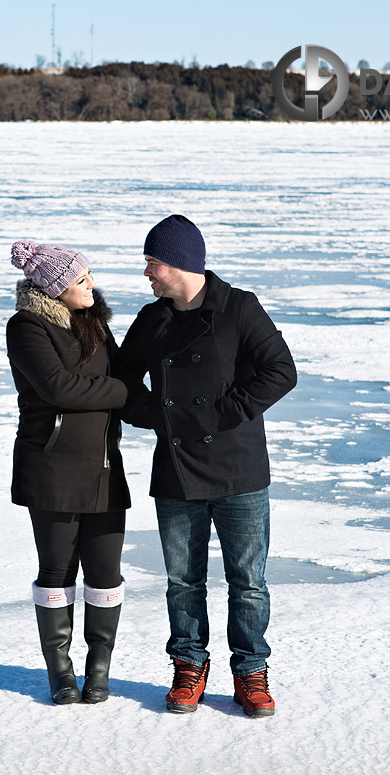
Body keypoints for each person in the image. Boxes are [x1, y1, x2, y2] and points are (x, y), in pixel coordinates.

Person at [116, 214, 296, 718]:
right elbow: (123, 382)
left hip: (239, 470)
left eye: (152, 263)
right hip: (176, 471)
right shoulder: (153, 320)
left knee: (248, 581)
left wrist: (223, 414)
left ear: (179, 262)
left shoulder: (239, 307)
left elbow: (281, 371)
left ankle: (251, 672)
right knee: (182, 581)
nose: (147, 274)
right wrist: (158, 416)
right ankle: (189, 666)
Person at [6, 240, 130, 705]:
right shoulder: (26, 326)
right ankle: (60, 672)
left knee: (106, 572)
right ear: (56, 288)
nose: (91, 285)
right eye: (81, 279)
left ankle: (99, 669)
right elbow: (59, 388)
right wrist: (117, 391)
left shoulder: (94, 322)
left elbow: (118, 378)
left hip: (103, 467)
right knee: (56, 571)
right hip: (52, 469)